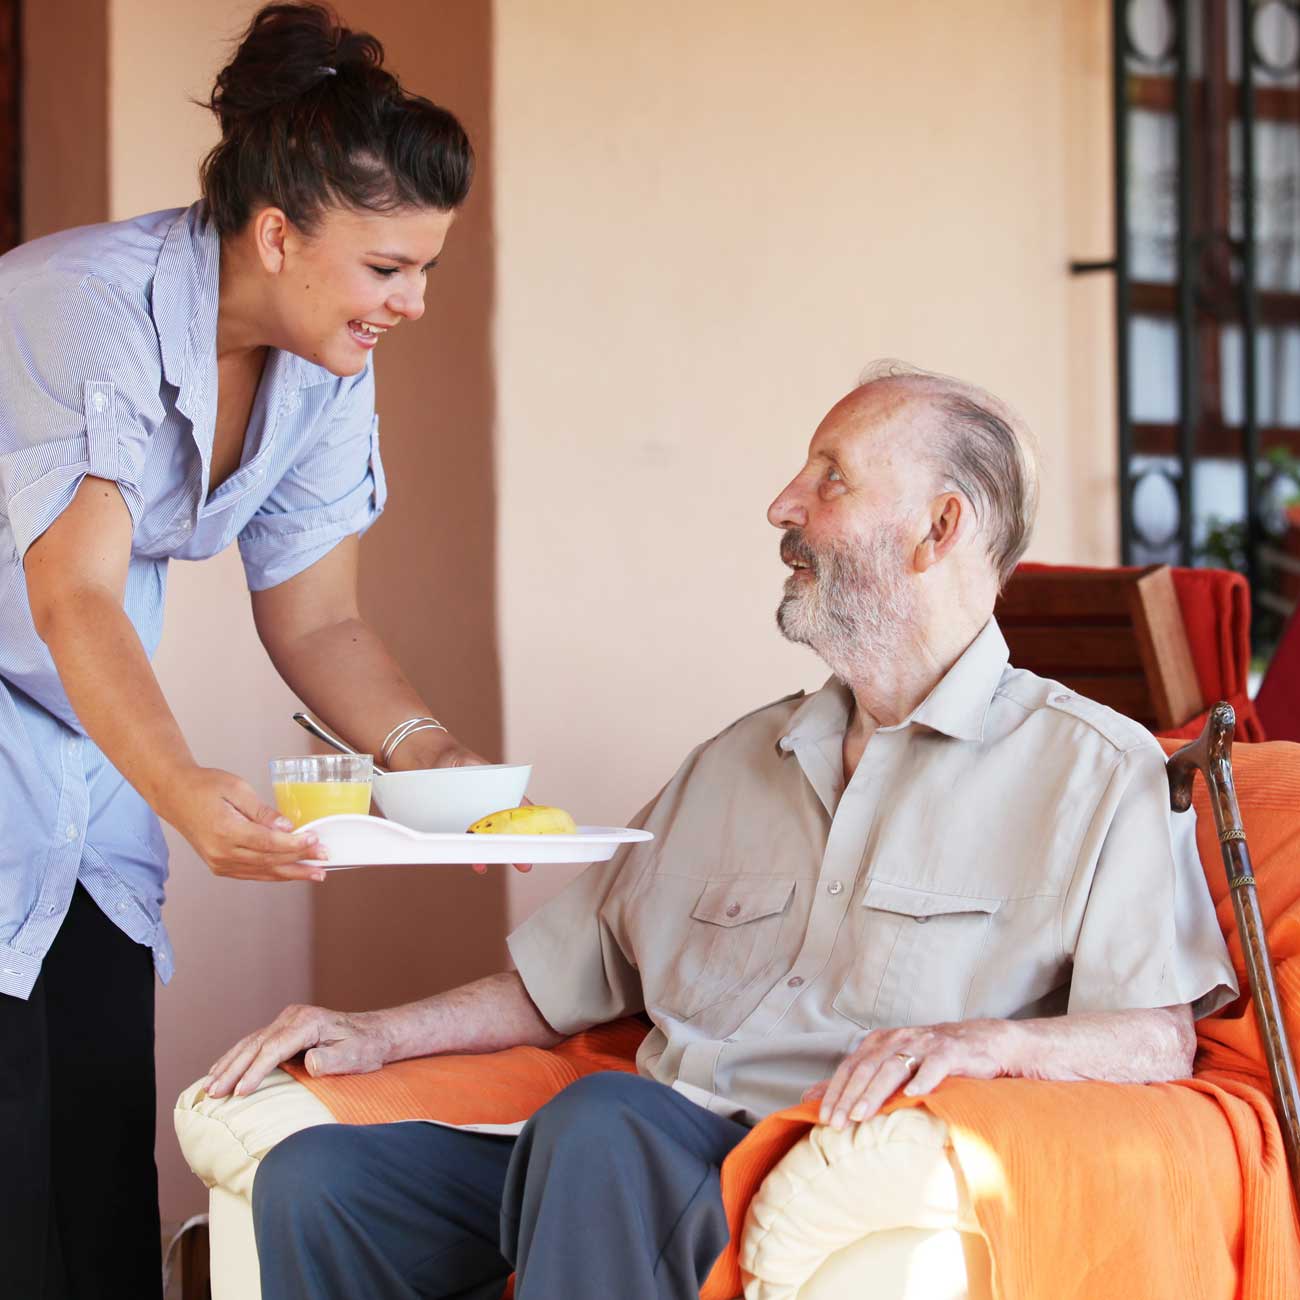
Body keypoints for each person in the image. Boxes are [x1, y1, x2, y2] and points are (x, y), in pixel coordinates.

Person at [205, 362, 1238, 1300]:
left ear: (940, 528)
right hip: (629, 1157)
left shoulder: (1096, 772)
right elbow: (561, 979)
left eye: (829, 479)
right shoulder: (736, 759)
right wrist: (370, 1032)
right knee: (317, 1180)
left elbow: (1156, 1032)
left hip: (815, 1165)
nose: (781, 506)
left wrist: (984, 1044)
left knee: (602, 1125)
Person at [0, 4, 499, 1296]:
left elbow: (317, 617)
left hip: (87, 777)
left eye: (427, 268)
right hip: (59, 732)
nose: (415, 302)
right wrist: (185, 792)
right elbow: (75, 599)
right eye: (389, 267)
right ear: (277, 233)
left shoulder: (326, 363)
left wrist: (428, 756)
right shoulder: (75, 307)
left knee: (97, 1189)